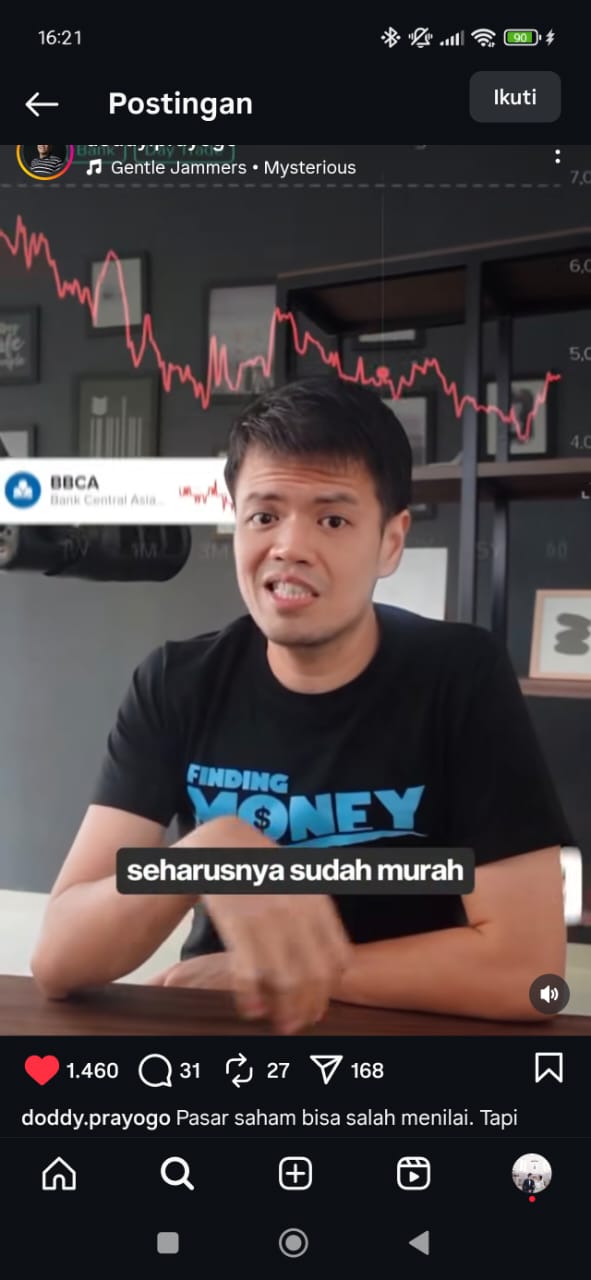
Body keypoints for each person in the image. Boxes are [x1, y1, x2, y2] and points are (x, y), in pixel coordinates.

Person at [31, 375, 572, 1034]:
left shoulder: (459, 676)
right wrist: (206, 852)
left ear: (390, 542)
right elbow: (58, 959)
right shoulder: (176, 682)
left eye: (332, 519)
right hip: (228, 1038)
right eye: (264, 515)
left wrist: (273, 972)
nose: (288, 546)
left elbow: (530, 975)